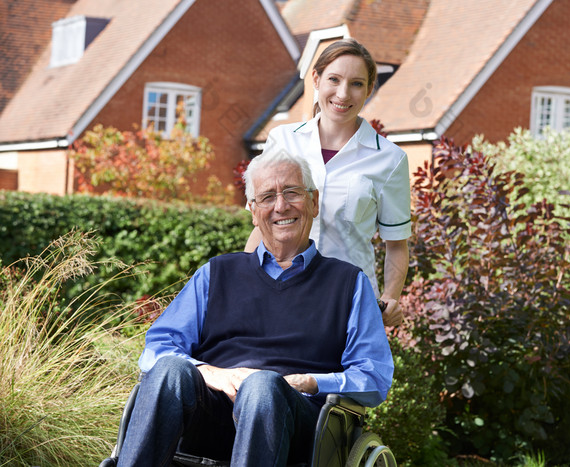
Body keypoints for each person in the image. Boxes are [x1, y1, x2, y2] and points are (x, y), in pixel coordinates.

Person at [116, 148, 393, 467]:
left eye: (292, 192)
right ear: (252, 210)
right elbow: (157, 348)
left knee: (262, 385)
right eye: (267, 197)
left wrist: (310, 381)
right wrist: (213, 374)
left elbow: (374, 376)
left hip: (295, 425)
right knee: (169, 370)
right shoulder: (217, 273)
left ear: (314, 202)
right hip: (213, 415)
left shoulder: (348, 283)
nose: (280, 206)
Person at [245, 38, 411, 327]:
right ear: (316, 79)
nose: (343, 93)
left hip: (348, 304)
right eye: (334, 79)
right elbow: (263, 225)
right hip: (277, 293)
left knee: (335, 374)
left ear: (369, 90)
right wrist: (242, 284)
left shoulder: (390, 159)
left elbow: (396, 244)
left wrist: (390, 298)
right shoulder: (282, 141)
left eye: (357, 84)